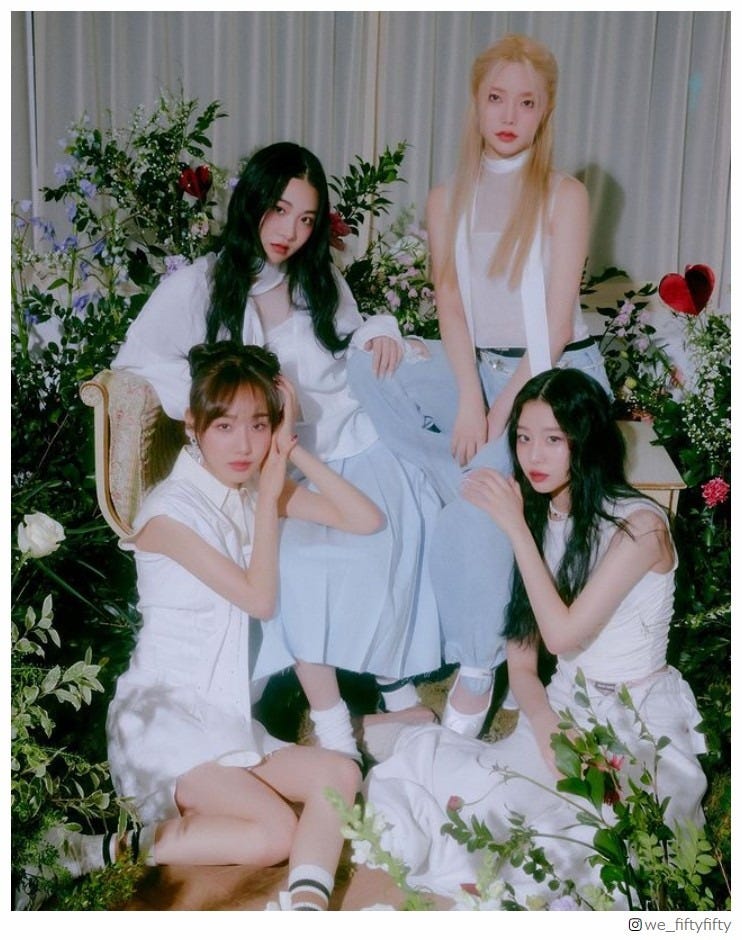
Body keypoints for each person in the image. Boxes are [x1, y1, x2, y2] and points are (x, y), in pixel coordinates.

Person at [111, 142, 443, 760]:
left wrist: (380, 331)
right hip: (269, 459)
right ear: (252, 204)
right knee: (298, 563)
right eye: (280, 210)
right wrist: (227, 397)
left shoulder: (319, 278)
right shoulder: (199, 286)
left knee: (392, 531)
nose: (290, 232)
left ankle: (394, 690)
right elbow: (136, 362)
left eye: (307, 219)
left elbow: (352, 339)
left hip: (346, 439)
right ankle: (335, 722)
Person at [358, 368, 707, 906]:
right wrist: (546, 725)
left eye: (552, 440)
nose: (533, 456)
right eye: (523, 438)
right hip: (565, 710)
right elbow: (522, 663)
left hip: (637, 722)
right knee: (471, 804)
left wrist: (517, 528)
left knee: (586, 853)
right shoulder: (542, 517)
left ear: (585, 441)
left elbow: (562, 636)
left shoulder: (641, 526)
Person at [347, 33, 611, 736]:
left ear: (545, 111)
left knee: (477, 504)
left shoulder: (564, 195)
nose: (509, 115)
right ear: (476, 103)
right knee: (367, 362)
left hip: (551, 371)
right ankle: (448, 467)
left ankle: (476, 662)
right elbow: (452, 305)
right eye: (496, 98)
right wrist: (469, 398)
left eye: (527, 103)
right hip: (481, 368)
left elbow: (554, 326)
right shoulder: (447, 199)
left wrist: (498, 419)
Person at [88, 339, 386, 912]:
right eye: (224, 426)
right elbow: (259, 599)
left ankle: (307, 909)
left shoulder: (247, 490)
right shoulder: (168, 514)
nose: (244, 444)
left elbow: (364, 518)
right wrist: (270, 494)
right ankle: (105, 848)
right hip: (164, 723)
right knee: (274, 834)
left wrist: (290, 450)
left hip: (224, 718)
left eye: (258, 424)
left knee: (340, 774)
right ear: (193, 426)